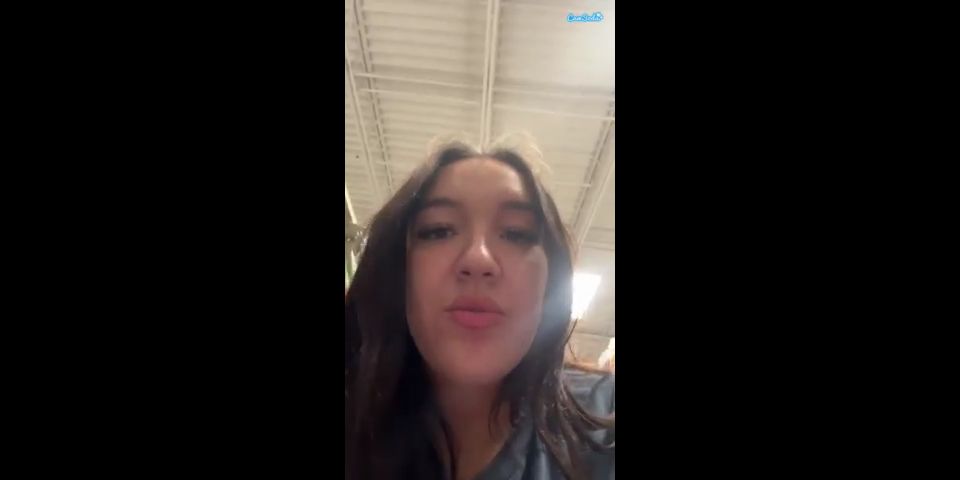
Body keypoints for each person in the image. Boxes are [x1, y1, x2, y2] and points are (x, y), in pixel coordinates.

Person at [345, 136, 614, 480]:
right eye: (439, 230)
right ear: (397, 271)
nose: (478, 259)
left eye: (516, 233)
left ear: (550, 284)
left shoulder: (606, 421)